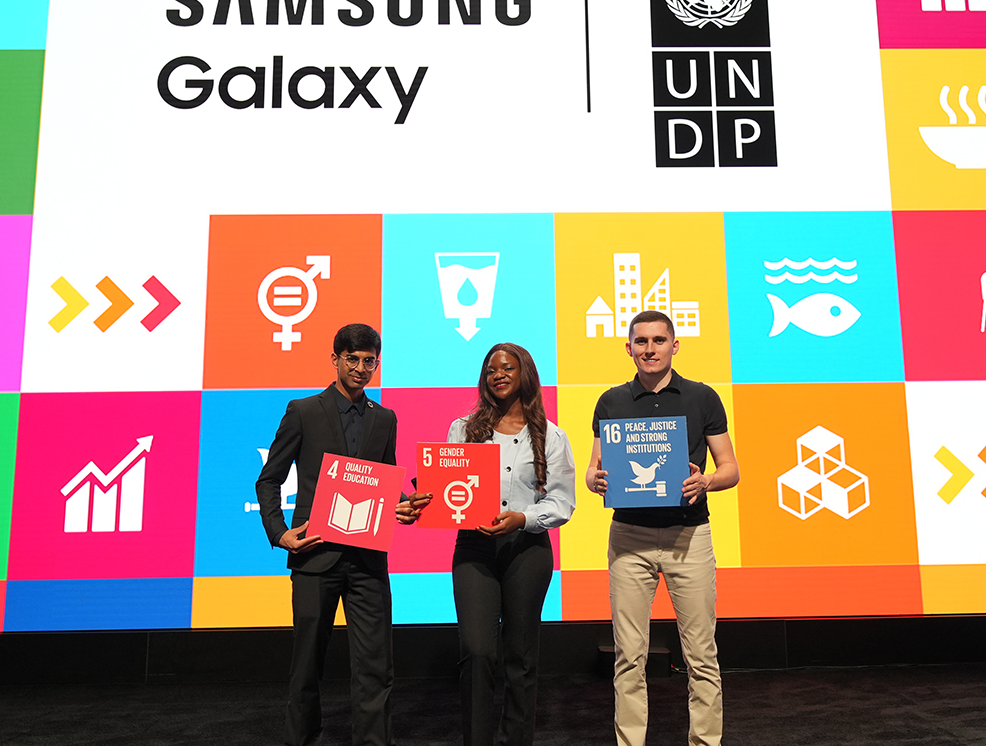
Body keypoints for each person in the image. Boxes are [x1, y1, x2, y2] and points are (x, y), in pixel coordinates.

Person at [255, 323, 430, 746]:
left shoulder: (385, 418)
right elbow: (269, 479)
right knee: (306, 664)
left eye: (369, 361)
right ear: (335, 359)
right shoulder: (303, 411)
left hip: (368, 558)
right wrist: (280, 534)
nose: (360, 368)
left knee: (376, 665)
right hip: (315, 556)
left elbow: (384, 481)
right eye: (352, 359)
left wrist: (404, 504)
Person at [586, 310, 740, 746]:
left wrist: (706, 481)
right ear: (629, 348)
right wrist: (595, 480)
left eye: (658, 340)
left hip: (689, 536)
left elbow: (730, 469)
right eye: (641, 341)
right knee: (628, 656)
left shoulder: (702, 397)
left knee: (701, 653)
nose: (649, 349)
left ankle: (705, 742)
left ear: (675, 345)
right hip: (629, 538)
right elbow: (594, 469)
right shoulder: (611, 401)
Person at [439, 343, 576, 746]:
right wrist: (426, 500)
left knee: (520, 655)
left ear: (524, 374)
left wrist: (523, 518)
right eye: (491, 370)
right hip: (474, 548)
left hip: (527, 549)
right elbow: (447, 489)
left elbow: (562, 502)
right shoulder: (463, 429)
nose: (498, 375)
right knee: (477, 651)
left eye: (507, 368)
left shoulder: (551, 436)